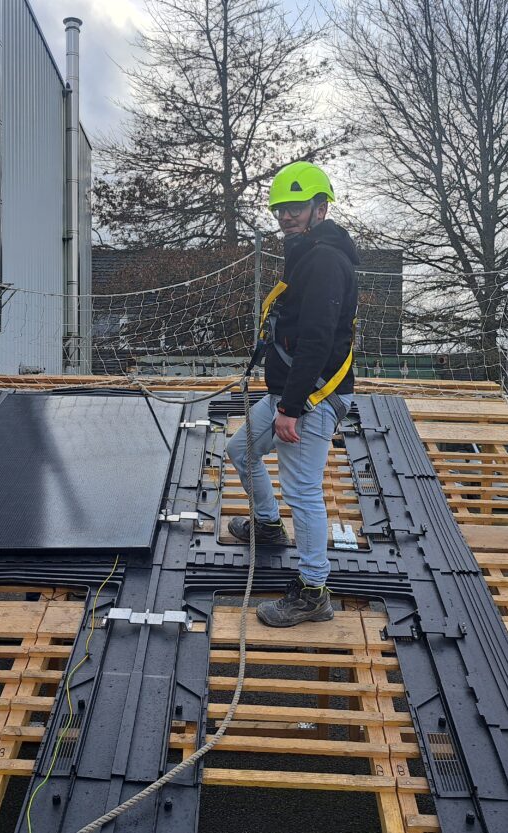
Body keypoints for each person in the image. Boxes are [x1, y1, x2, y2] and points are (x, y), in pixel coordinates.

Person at [226, 161, 359, 627]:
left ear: (320, 209)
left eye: (296, 208)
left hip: (311, 397)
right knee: (240, 450)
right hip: (291, 390)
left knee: (302, 492)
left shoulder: (325, 261)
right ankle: (267, 525)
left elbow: (318, 341)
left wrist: (291, 408)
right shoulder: (308, 252)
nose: (286, 216)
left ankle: (313, 591)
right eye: (280, 209)